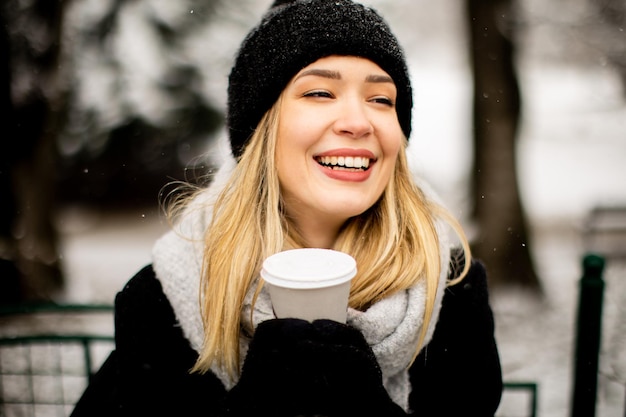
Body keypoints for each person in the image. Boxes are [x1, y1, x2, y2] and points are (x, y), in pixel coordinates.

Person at [71, 0, 503, 416]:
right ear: (262, 127)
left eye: (381, 99)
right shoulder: (163, 296)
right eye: (319, 92)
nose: (358, 121)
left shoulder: (450, 288)